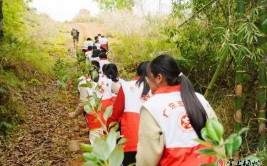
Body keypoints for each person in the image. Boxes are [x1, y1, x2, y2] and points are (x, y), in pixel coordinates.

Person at [136, 55, 217, 166]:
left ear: (159, 78)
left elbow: (147, 158)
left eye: (148, 79)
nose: (148, 83)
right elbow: (217, 138)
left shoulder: (152, 106)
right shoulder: (199, 98)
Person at [107, 61, 151, 166]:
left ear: (137, 72)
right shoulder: (157, 88)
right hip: (152, 143)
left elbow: (116, 113)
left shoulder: (126, 86)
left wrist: (108, 128)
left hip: (130, 139)